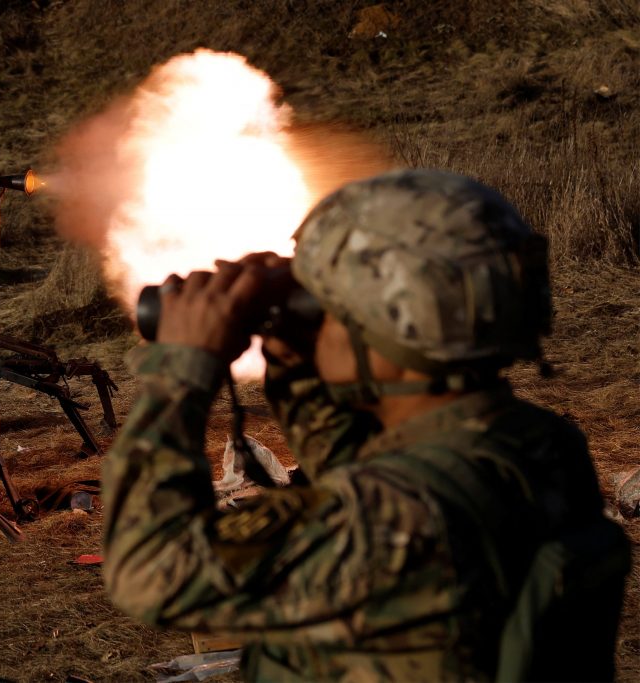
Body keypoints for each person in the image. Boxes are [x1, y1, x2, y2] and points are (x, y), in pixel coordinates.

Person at [102, 169, 630, 681]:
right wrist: (299, 357)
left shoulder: (388, 514)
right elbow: (361, 464)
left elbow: (149, 568)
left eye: (328, 309)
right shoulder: (541, 447)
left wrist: (182, 370)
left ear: (391, 325)